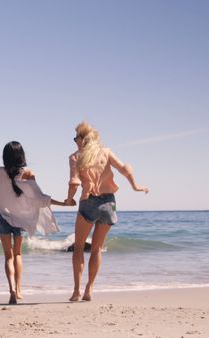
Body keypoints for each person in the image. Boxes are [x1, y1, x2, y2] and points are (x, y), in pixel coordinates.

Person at [0, 141, 65, 304]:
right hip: (20, 220)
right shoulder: (27, 174)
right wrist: (63, 203)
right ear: (21, 156)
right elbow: (40, 198)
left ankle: (12, 290)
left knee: (8, 256)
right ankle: (19, 289)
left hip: (3, 218)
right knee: (18, 254)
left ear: (5, 157)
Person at [64, 121, 149, 302]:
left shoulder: (75, 157)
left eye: (75, 138)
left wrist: (69, 199)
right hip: (109, 203)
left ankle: (77, 291)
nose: (74, 142)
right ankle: (89, 289)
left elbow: (74, 182)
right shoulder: (106, 152)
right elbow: (125, 169)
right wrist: (135, 186)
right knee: (97, 249)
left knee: (78, 247)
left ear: (83, 139)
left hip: (88, 203)